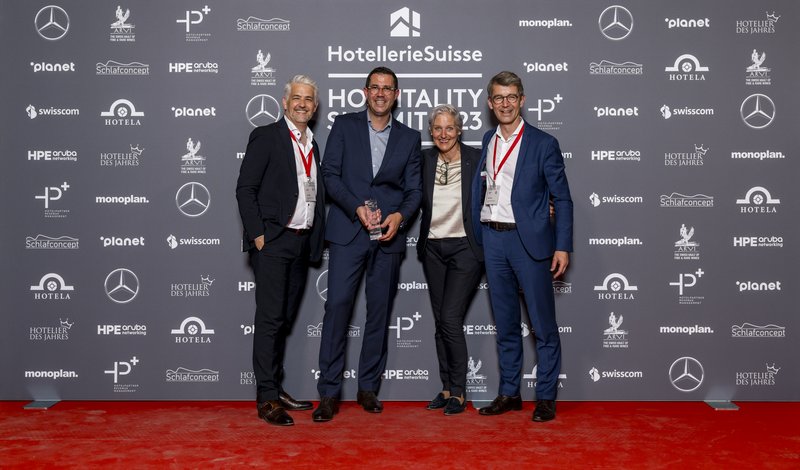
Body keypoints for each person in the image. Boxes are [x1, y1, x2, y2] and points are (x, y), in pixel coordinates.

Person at [313, 66, 422, 422]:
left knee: (379, 313)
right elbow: (329, 174)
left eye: (387, 88)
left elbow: (414, 190)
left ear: (396, 95)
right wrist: (356, 207)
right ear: (365, 91)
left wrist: (399, 217)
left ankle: (368, 388)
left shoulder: (409, 137)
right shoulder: (344, 126)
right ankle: (328, 392)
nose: (380, 93)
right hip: (348, 232)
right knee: (337, 308)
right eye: (375, 87)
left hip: (387, 237)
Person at [471, 71, 573, 422]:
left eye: (511, 97)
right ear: (490, 103)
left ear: (522, 100)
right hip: (493, 239)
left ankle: (545, 397)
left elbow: (562, 198)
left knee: (543, 325)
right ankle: (509, 393)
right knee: (505, 324)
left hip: (528, 242)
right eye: (499, 98)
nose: (505, 104)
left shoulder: (544, 143)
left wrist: (562, 246)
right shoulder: (488, 139)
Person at [236, 75, 325, 426]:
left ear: (314, 108)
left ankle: (276, 387)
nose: (302, 103)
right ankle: (267, 398)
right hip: (273, 241)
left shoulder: (312, 144)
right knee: (270, 320)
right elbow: (245, 188)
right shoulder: (267, 136)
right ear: (285, 103)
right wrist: (259, 236)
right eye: (297, 98)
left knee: (284, 319)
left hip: (301, 242)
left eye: (309, 99)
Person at [417, 105, 483, 415]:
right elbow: (407, 193)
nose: (443, 134)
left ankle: (459, 390)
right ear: (431, 132)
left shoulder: (476, 159)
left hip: (465, 248)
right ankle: (445, 387)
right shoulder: (424, 160)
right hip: (432, 248)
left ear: (459, 130)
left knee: (450, 319)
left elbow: (504, 189)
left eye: (449, 128)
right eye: (437, 128)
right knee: (440, 321)